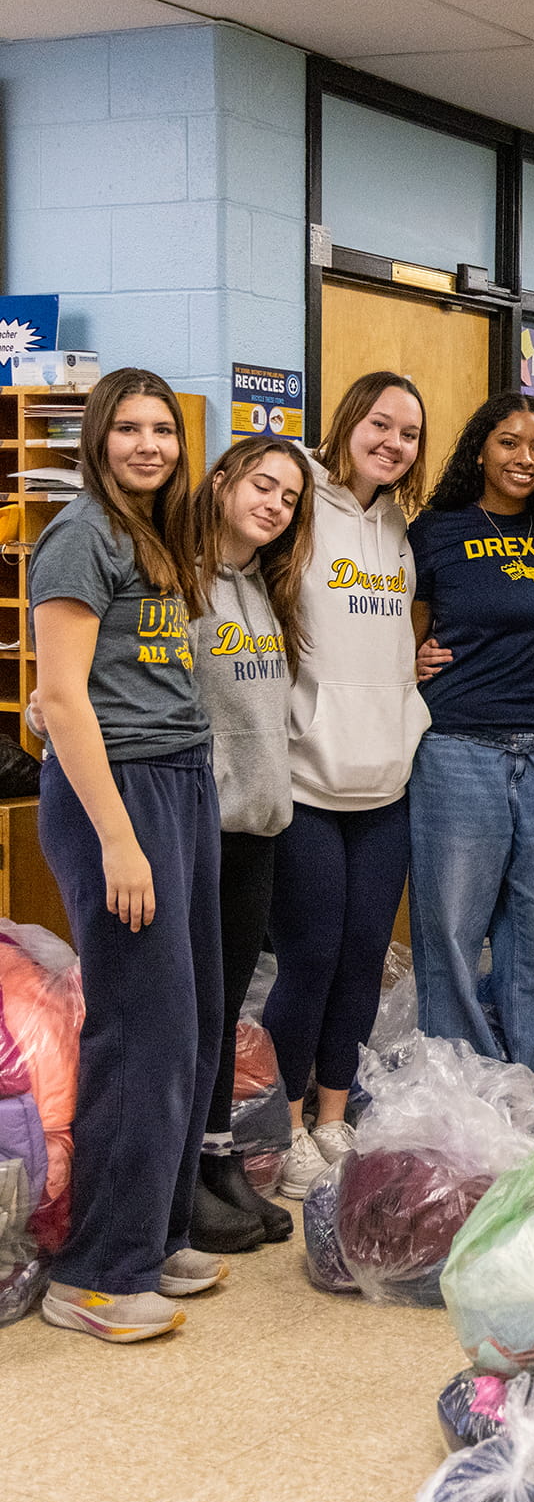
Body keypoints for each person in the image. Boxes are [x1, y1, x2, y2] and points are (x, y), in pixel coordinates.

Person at [31, 369, 223, 1341]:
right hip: (122, 794)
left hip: (182, 779)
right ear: (100, 436)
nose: (149, 443)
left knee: (192, 1024)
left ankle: (156, 1230)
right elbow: (61, 699)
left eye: (163, 428)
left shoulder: (160, 536)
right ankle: (97, 1271)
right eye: (130, 427)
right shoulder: (78, 535)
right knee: (140, 1031)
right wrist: (117, 837)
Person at [266, 371, 430, 1198]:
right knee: (311, 956)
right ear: (348, 420)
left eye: (408, 433)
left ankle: (334, 1116)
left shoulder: (402, 525)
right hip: (305, 779)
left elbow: (395, 625)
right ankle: (285, 1124)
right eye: (380, 423)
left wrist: (415, 660)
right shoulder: (298, 498)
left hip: (386, 780)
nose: (392, 442)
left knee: (366, 958)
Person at [407, 392, 534, 1111]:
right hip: (457, 749)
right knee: (451, 936)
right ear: (480, 449)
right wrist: (409, 657)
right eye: (510, 443)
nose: (525, 458)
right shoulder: (437, 533)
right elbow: (404, 629)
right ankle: (460, 1104)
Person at [188, 435, 314, 1251]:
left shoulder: (262, 591)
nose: (274, 504)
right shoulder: (181, 582)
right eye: (263, 485)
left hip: (258, 829)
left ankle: (219, 1156)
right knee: (193, 1012)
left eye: (290, 497)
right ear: (224, 481)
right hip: (202, 827)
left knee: (226, 1008)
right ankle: (184, 1177)